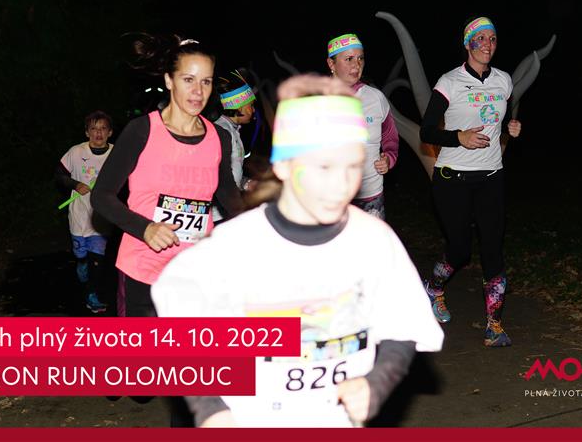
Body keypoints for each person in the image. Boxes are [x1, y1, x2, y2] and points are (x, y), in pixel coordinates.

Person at [152, 74, 444, 428]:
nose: (340, 183)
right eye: (323, 166)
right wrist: (210, 408)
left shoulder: (373, 241)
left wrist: (376, 384)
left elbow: (404, 327)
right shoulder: (233, 247)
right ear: (285, 166)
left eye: (352, 165)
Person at [91, 34, 243, 319]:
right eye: (188, 80)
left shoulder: (219, 138)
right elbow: (101, 196)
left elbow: (230, 198)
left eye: (206, 81)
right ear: (169, 80)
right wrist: (145, 228)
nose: (198, 91)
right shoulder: (141, 131)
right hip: (144, 271)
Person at [419, 16, 522, 347]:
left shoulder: (504, 81)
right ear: (467, 44)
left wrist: (511, 129)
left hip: (491, 177)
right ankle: (434, 287)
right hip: (452, 178)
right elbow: (427, 131)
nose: (487, 45)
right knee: (460, 250)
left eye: (492, 39)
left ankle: (494, 326)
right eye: (481, 39)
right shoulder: (449, 82)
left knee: (493, 248)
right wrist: (458, 137)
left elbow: (502, 119)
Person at [326, 33, 399, 220]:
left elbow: (390, 136)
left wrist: (388, 158)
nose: (356, 65)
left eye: (360, 58)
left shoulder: (375, 97)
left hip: (371, 196)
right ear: (331, 64)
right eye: (349, 59)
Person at [55, 110, 114, 314]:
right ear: (87, 132)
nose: (98, 133)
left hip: (101, 217)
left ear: (110, 132)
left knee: (97, 257)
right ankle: (81, 262)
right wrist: (75, 184)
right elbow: (59, 175)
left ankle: (92, 295)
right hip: (79, 214)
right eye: (94, 129)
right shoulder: (76, 152)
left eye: (103, 129)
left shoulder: (116, 154)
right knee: (81, 254)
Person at [211, 71, 257, 224]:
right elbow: (216, 175)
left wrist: (246, 183)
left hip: (226, 211)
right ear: (239, 107)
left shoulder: (232, 130)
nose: (253, 110)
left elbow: (230, 172)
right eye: (250, 105)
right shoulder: (221, 131)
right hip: (217, 215)